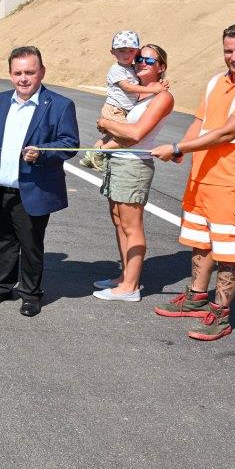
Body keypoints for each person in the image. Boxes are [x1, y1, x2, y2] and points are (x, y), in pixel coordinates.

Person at [150, 21, 235, 341]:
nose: (234, 56)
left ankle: (220, 315)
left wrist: (178, 147)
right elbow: (202, 121)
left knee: (227, 251)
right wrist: (183, 149)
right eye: (228, 50)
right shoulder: (216, 82)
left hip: (232, 182)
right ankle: (196, 297)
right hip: (201, 179)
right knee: (201, 242)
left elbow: (228, 131)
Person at [0, 46, 79, 317]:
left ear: (41, 72)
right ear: (10, 75)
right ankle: (2, 287)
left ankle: (30, 294)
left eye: (29, 72)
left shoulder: (60, 105)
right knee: (1, 242)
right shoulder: (0, 101)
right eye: (18, 73)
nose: (23, 78)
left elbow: (69, 144)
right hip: (0, 186)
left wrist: (42, 153)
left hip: (33, 189)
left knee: (31, 245)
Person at [91, 44, 174, 302]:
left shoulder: (163, 97)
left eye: (149, 60)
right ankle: (125, 276)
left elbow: (137, 133)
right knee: (118, 220)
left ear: (161, 67)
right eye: (139, 58)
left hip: (134, 165)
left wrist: (106, 124)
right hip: (119, 161)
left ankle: (130, 287)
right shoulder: (139, 94)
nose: (141, 62)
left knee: (132, 225)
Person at [80, 30, 167, 170]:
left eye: (131, 52)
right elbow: (128, 87)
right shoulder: (117, 69)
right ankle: (98, 152)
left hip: (122, 110)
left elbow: (147, 80)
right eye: (121, 51)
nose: (126, 55)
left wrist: (161, 82)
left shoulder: (132, 69)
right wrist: (154, 89)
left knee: (115, 136)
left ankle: (93, 153)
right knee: (126, 137)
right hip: (115, 109)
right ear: (113, 52)